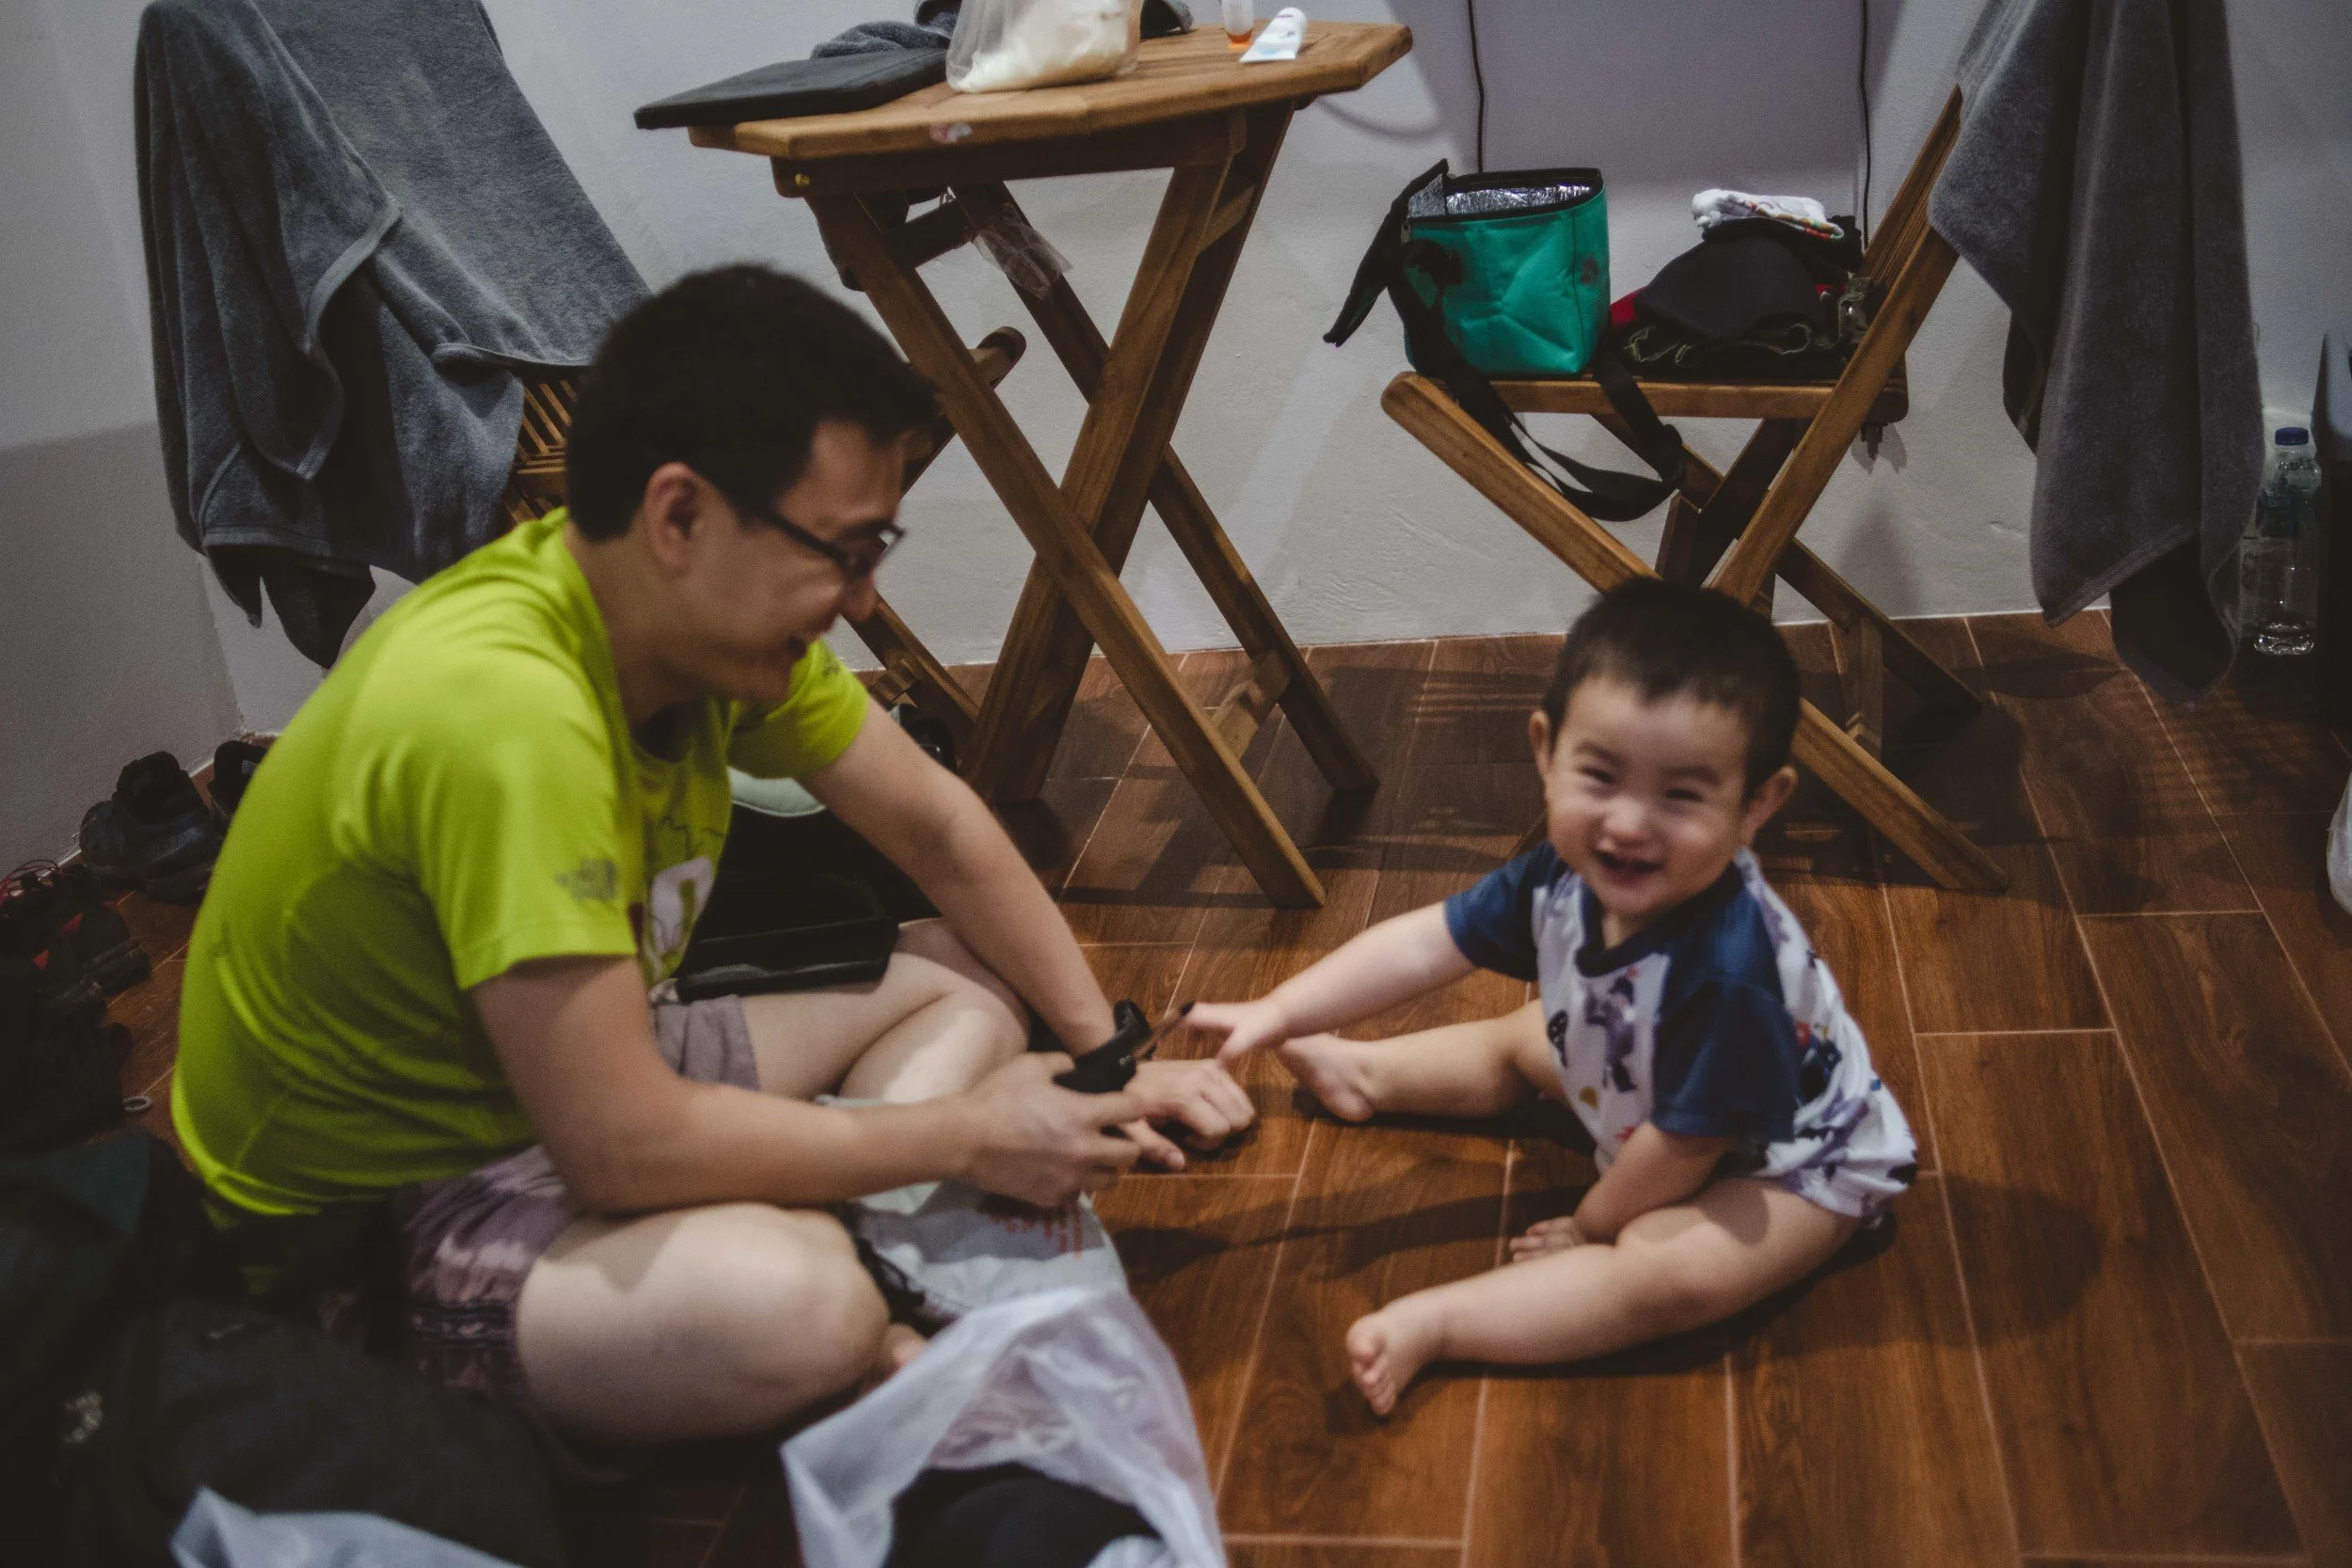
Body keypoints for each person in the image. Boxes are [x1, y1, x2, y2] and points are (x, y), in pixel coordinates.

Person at [172, 265, 1254, 1442]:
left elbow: (937, 826)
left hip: (563, 1085)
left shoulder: (683, 626)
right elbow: (616, 1146)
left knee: (964, 972)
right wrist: (968, 1133)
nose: (861, 600)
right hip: (378, 1215)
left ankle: (822, 1214)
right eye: (841, 551)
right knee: (805, 1306)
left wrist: (1104, 1059)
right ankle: (832, 1247)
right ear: (679, 517)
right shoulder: (508, 714)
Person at [1186, 579, 1916, 1416]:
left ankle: (1443, 1323)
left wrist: (1592, 1222)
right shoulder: (1561, 876)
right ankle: (1365, 1073)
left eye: (1681, 795)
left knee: (1662, 1269)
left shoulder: (1729, 973)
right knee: (1521, 1039)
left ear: (1757, 803)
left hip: (1788, 1160)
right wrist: (1282, 1009)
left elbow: (1683, 1149)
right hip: (1650, 1080)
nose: (1628, 824)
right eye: (1600, 776)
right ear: (1546, 751)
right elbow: (1427, 942)